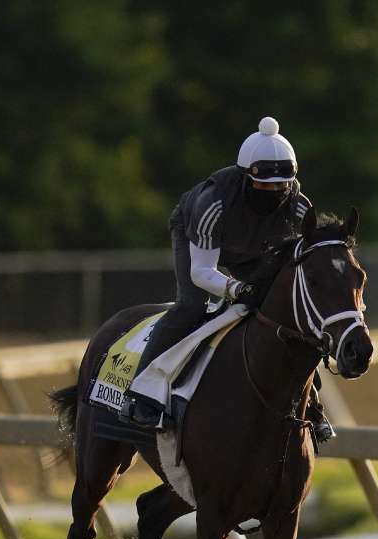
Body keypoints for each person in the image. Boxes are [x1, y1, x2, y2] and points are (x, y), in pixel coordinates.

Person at [119, 116, 334, 443]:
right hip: (200, 239)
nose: (276, 191)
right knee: (192, 307)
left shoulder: (301, 209)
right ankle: (141, 392)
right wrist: (238, 288)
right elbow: (201, 272)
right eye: (267, 185)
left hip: (256, 247)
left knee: (284, 317)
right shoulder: (213, 205)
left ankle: (313, 407)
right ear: (247, 179)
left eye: (282, 184)